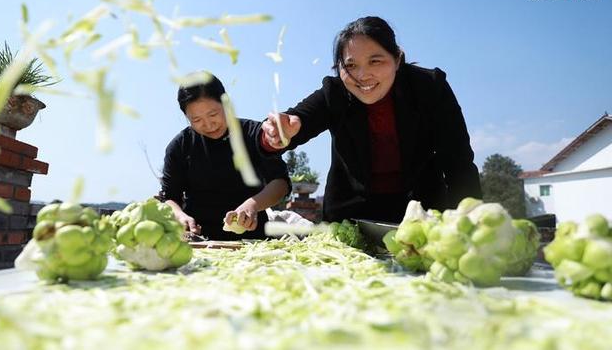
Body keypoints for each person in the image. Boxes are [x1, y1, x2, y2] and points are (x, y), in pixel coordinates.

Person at [259, 16, 481, 223]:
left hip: (422, 216)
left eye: (375, 61)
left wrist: (469, 220)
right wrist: (277, 134)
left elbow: (458, 162)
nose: (363, 76)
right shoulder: (334, 93)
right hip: (352, 219)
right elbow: (292, 125)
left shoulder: (429, 87)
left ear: (397, 59)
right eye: (351, 65)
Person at [160, 72, 291, 240]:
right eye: (196, 119)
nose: (208, 125)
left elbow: (280, 183)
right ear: (186, 117)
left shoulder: (254, 135)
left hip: (253, 240)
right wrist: (179, 215)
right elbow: (170, 196)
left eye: (213, 114)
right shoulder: (180, 146)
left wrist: (252, 205)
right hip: (199, 240)